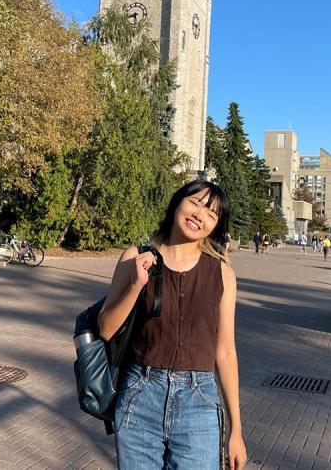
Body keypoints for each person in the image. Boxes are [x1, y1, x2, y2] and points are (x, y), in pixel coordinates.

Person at [97, 180, 247, 470]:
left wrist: (236, 431)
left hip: (199, 401)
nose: (199, 215)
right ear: (178, 202)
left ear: (215, 226)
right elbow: (105, 329)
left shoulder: (222, 274)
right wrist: (137, 286)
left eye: (211, 214)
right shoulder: (135, 258)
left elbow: (226, 352)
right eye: (195, 203)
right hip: (140, 394)